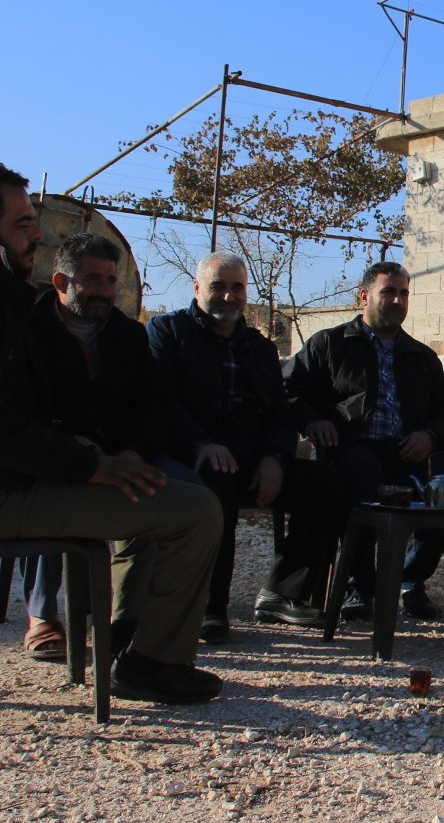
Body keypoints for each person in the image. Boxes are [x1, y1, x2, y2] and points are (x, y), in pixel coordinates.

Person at [0, 162, 224, 705]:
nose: (36, 233)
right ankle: (150, 665)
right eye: (21, 224)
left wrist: (91, 452)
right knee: (194, 512)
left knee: (174, 492)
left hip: (11, 478)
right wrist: (89, 464)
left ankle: (130, 643)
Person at [18, 232, 203, 661]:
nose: (105, 290)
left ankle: (129, 619)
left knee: (184, 492)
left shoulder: (128, 336)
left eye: (110, 280)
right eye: (93, 280)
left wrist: (135, 453)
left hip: (123, 453)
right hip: (59, 452)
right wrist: (74, 450)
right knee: (50, 490)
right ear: (62, 281)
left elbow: (152, 407)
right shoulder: (29, 331)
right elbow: (24, 407)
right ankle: (43, 617)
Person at [148, 251, 346, 643]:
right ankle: (210, 607)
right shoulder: (167, 332)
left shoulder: (258, 346)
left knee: (330, 483)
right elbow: (159, 401)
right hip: (193, 457)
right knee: (214, 483)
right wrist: (200, 443)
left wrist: (275, 457)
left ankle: (281, 593)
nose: (229, 296)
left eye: (237, 287)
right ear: (197, 288)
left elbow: (279, 410)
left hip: (252, 457)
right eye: (218, 287)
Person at [281, 260, 444, 622]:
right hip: (353, 447)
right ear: (364, 296)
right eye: (389, 291)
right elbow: (288, 389)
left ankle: (410, 581)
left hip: (409, 452)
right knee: (362, 482)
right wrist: (313, 421)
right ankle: (359, 588)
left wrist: (428, 436)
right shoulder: (329, 345)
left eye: (404, 293)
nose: (397, 300)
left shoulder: (421, 356)